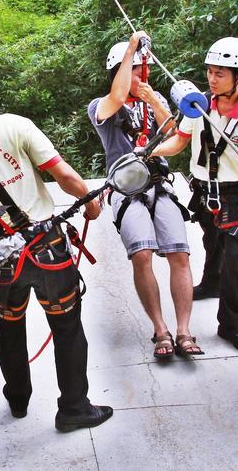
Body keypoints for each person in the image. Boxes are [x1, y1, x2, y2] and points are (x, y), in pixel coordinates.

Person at [0, 65, 113, 433]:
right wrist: (88, 199)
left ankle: (18, 399)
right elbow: (61, 173)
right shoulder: (13, 124)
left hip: (0, 261)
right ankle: (74, 407)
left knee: (9, 329)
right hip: (47, 248)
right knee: (67, 327)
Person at [151, 37, 238, 354]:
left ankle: (231, 324)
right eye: (210, 72)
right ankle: (211, 282)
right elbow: (179, 142)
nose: (212, 79)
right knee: (211, 239)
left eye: (220, 73)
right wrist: (149, 153)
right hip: (205, 189)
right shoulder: (197, 105)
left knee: (235, 257)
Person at [88, 32, 201, 359]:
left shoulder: (154, 101)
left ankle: (183, 329)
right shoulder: (101, 106)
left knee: (180, 254)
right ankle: (160, 329)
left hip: (159, 183)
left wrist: (153, 99)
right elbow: (118, 95)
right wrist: (131, 52)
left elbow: (174, 136)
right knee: (142, 255)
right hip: (125, 187)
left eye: (140, 70)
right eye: (132, 71)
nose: (138, 77)